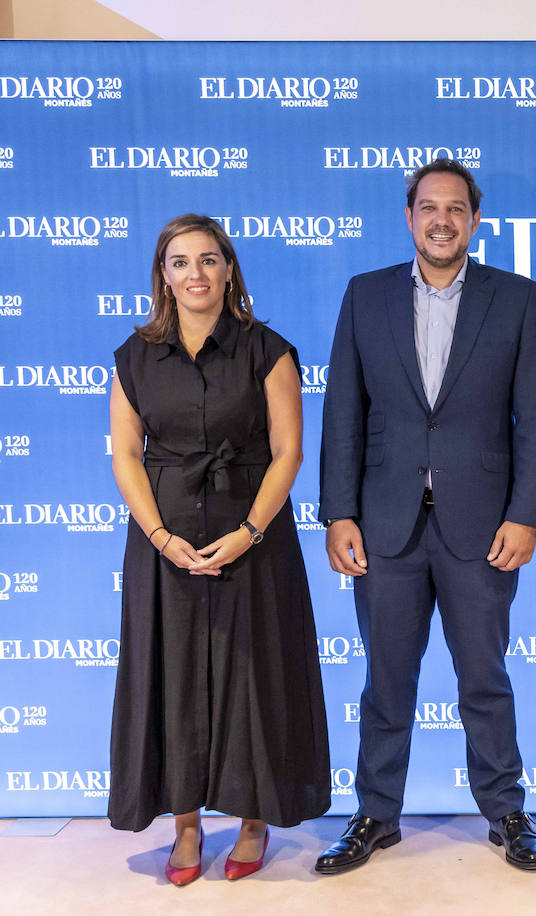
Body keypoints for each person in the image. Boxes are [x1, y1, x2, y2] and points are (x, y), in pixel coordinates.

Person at [317, 158, 536, 873]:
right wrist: (338, 513)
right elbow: (342, 415)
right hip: (385, 524)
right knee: (386, 680)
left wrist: (526, 515)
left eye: (456, 209)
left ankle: (507, 812)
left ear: (475, 221)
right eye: (429, 208)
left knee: (484, 678)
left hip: (481, 526)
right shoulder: (366, 296)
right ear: (409, 216)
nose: (442, 220)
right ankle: (374, 815)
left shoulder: (515, 298)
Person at [108, 214, 329, 885]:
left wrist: (249, 531)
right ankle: (184, 827)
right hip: (163, 537)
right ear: (163, 276)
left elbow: (289, 451)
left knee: (254, 677)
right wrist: (159, 536)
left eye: (209, 260)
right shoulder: (135, 356)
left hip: (253, 536)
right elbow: (124, 454)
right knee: (172, 678)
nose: (196, 274)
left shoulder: (269, 349)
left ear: (229, 269)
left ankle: (254, 819)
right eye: (181, 262)